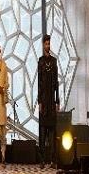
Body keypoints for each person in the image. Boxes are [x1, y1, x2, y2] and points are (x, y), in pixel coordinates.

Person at [38, 34, 59, 169]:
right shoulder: (40, 61)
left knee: (52, 133)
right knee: (42, 132)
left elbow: (56, 82)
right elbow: (39, 83)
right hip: (43, 101)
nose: (48, 45)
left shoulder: (54, 61)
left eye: (49, 43)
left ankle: (53, 160)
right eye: (46, 43)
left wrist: (57, 101)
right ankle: (42, 160)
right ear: (43, 45)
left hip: (51, 101)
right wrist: (39, 101)